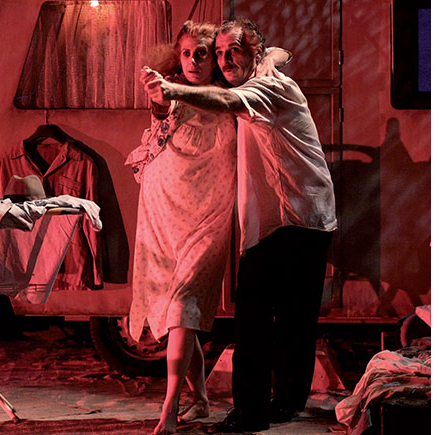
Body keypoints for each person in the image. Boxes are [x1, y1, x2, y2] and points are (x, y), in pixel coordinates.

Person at [142, 19, 337, 433]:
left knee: (280, 320)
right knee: (267, 319)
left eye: (234, 50)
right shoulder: (251, 82)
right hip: (273, 221)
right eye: (220, 52)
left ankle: (262, 411)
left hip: (300, 218)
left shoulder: (271, 88)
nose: (225, 59)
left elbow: (227, 100)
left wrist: (172, 89)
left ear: (255, 55)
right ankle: (271, 406)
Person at [125, 21, 237, 435]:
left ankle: (169, 408)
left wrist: (168, 93)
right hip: (165, 215)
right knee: (179, 315)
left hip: (208, 218)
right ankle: (201, 400)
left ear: (215, 58)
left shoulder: (227, 97)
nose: (192, 61)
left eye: (201, 53)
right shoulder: (170, 96)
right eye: (186, 53)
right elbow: (161, 109)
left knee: (183, 304)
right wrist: (159, 97)